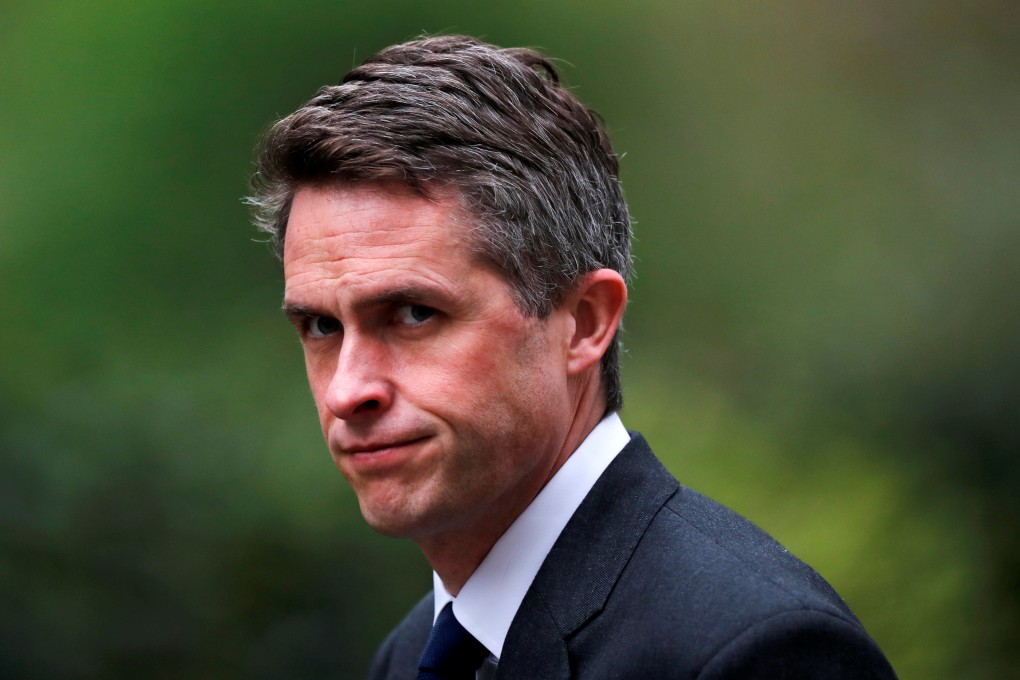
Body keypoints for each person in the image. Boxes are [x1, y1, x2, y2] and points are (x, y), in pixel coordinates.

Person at [249, 35, 896, 680]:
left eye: (415, 314)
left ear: (584, 323)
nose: (347, 391)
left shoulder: (757, 654)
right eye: (321, 326)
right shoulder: (411, 654)